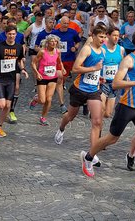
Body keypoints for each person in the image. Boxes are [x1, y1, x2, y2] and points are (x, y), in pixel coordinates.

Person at [82, 29, 135, 188]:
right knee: (112, 139)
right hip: (126, 106)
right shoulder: (129, 60)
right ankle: (88, 157)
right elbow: (116, 84)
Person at [56, 25, 108, 163]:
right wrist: (93, 68)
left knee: (97, 121)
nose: (103, 39)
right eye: (101, 36)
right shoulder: (87, 49)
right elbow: (75, 69)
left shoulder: (103, 51)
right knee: (71, 116)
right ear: (94, 36)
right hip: (79, 89)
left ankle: (92, 153)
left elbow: (96, 71)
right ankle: (61, 128)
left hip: (93, 90)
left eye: (104, 36)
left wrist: (98, 77)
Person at [0, 25, 28, 138]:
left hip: (11, 78)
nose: (11, 36)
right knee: (1, 105)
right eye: (9, 34)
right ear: (6, 34)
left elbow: (19, 60)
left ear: (16, 35)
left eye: (13, 34)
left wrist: (23, 70)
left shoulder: (19, 47)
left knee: (7, 105)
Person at [31, 34, 64, 125]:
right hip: (42, 77)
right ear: (47, 43)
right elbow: (33, 63)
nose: (53, 43)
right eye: (51, 41)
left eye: (55, 41)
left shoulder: (58, 51)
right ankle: (36, 99)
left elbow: (59, 61)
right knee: (42, 100)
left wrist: (62, 68)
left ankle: (43, 118)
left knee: (49, 99)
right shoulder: (42, 52)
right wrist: (37, 73)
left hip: (53, 77)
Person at [100, 26, 125, 119]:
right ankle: (98, 131)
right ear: (108, 36)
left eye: (118, 36)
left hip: (114, 84)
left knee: (107, 114)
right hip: (102, 83)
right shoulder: (102, 49)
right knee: (101, 110)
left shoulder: (121, 49)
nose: (116, 38)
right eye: (114, 35)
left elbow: (122, 66)